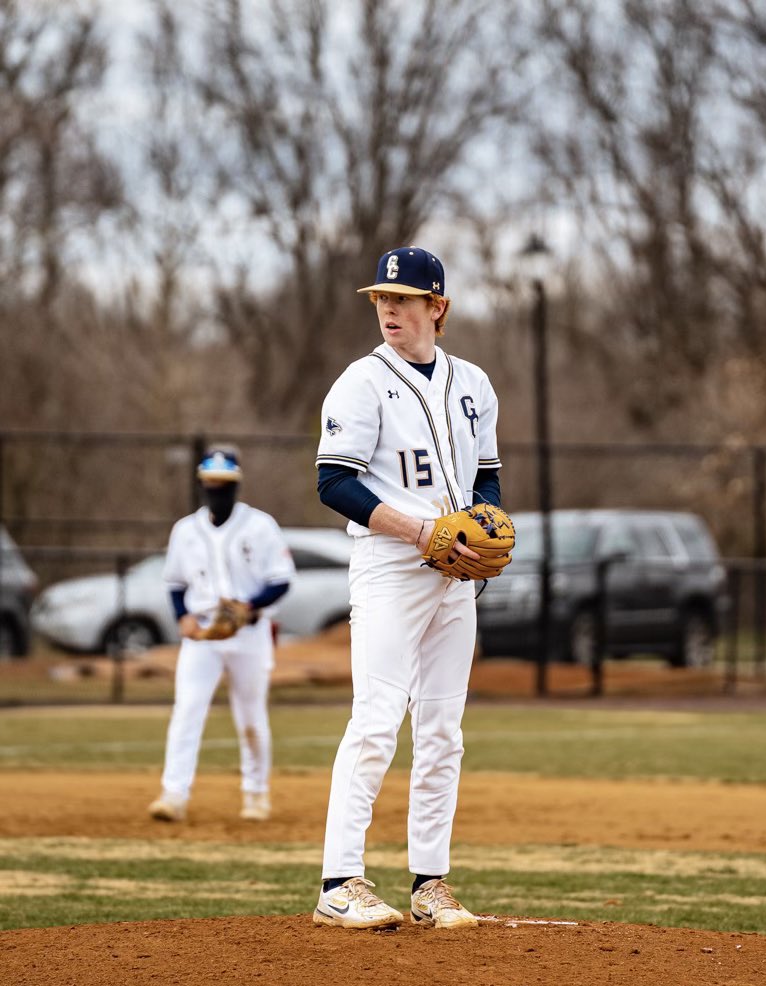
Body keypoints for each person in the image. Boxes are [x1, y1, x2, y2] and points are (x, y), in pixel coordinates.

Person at [313, 246, 505, 929]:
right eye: (381, 299)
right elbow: (333, 481)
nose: (390, 308)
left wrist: (484, 526)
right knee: (376, 718)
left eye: (404, 298)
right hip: (390, 567)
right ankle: (339, 880)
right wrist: (420, 531)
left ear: (438, 307)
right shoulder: (361, 383)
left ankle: (431, 882)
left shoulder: (474, 383)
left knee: (443, 730)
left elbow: (486, 479)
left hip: (453, 574)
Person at [148, 448, 295, 824]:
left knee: (250, 714)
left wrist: (248, 606)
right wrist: (182, 617)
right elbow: (176, 583)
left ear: (236, 485)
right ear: (202, 484)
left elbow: (281, 580)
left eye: (224, 484)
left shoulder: (260, 525)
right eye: (211, 483)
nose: (217, 489)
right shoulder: (185, 530)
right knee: (187, 709)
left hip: (248, 631)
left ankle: (256, 794)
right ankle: (174, 794)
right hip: (202, 635)